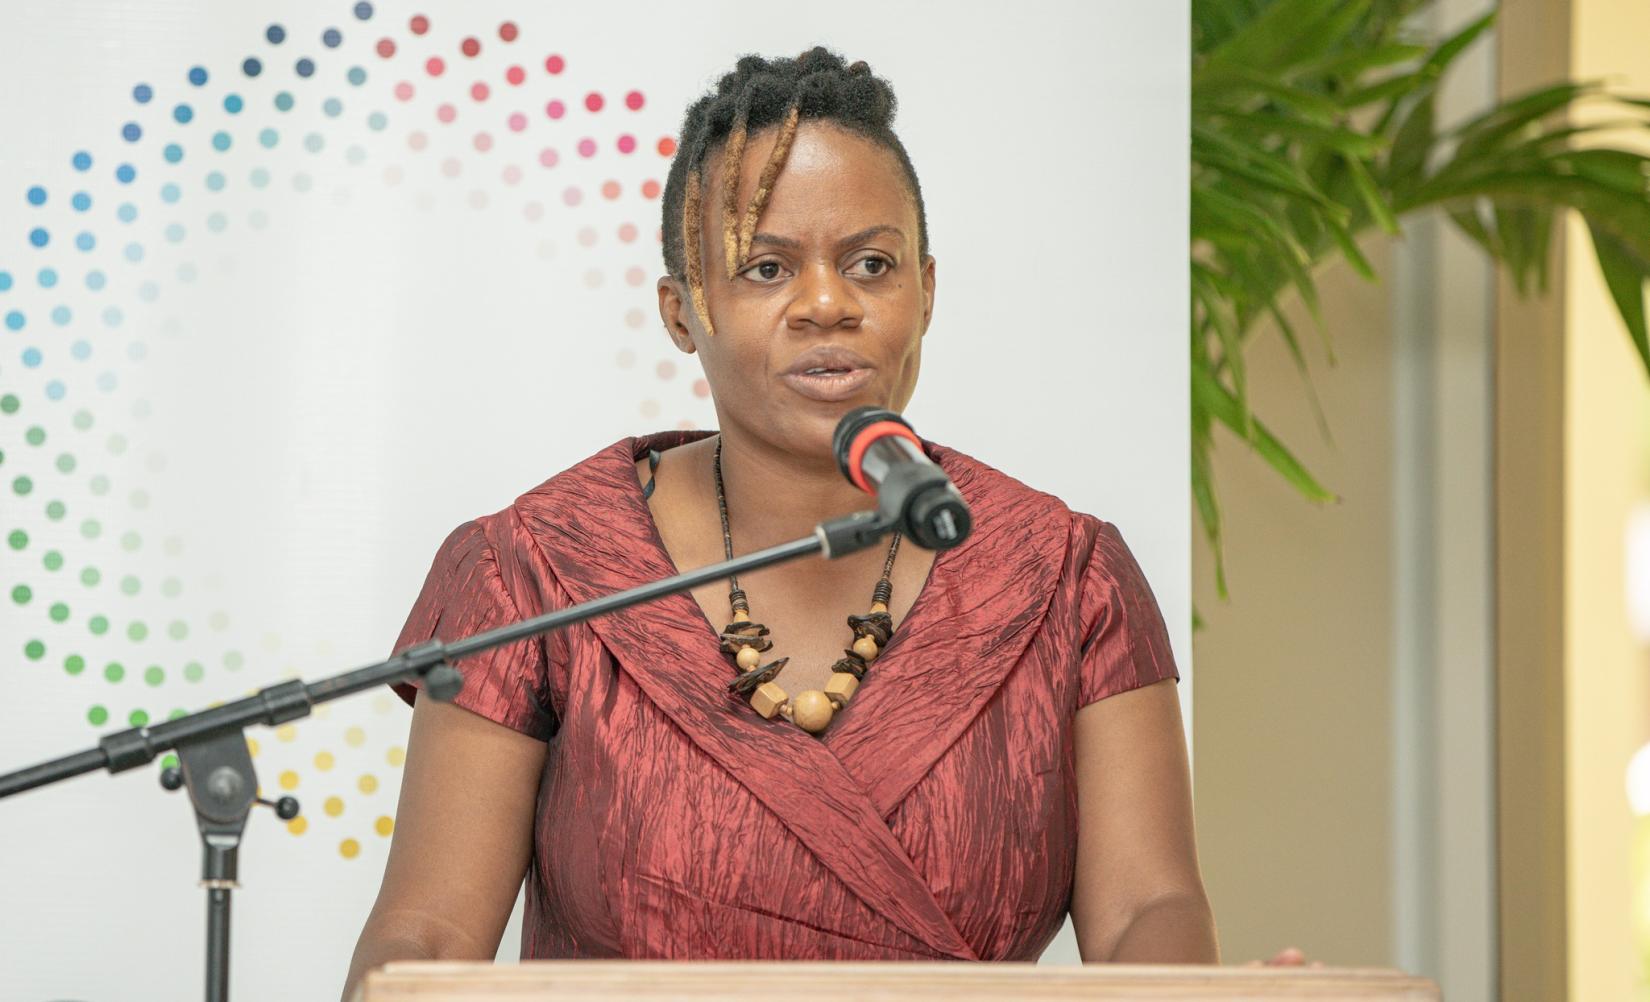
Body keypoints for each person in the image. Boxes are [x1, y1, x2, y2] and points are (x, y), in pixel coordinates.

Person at [342, 46, 1217, 999]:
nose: (828, 304)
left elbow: (1146, 909)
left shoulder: (1063, 573)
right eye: (766, 268)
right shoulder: (537, 572)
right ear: (683, 311)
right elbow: (426, 933)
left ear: (925, 291)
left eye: (869, 264)